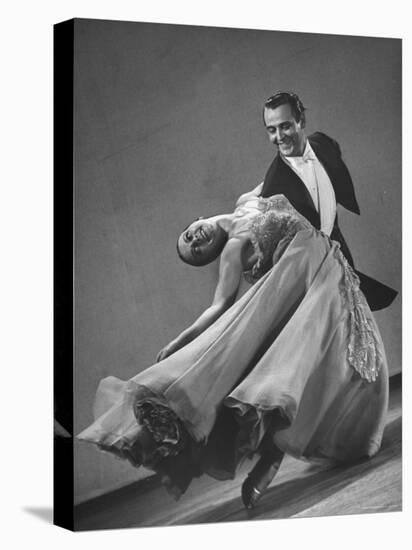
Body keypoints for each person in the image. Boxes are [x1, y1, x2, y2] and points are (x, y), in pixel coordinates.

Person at [78, 187, 389, 509]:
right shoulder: (231, 252)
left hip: (327, 268)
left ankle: (281, 452)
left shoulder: (247, 200)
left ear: (197, 220)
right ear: (213, 254)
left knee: (346, 354)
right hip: (302, 283)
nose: (195, 241)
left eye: (188, 237)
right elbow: (218, 306)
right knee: (289, 369)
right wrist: (179, 341)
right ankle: (270, 457)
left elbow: (283, 175)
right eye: (197, 251)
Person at [259, 91, 397, 311]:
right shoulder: (273, 188)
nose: (279, 136)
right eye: (271, 130)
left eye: (284, 126)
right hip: (312, 275)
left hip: (340, 249)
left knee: (355, 316)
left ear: (301, 121)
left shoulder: (324, 143)